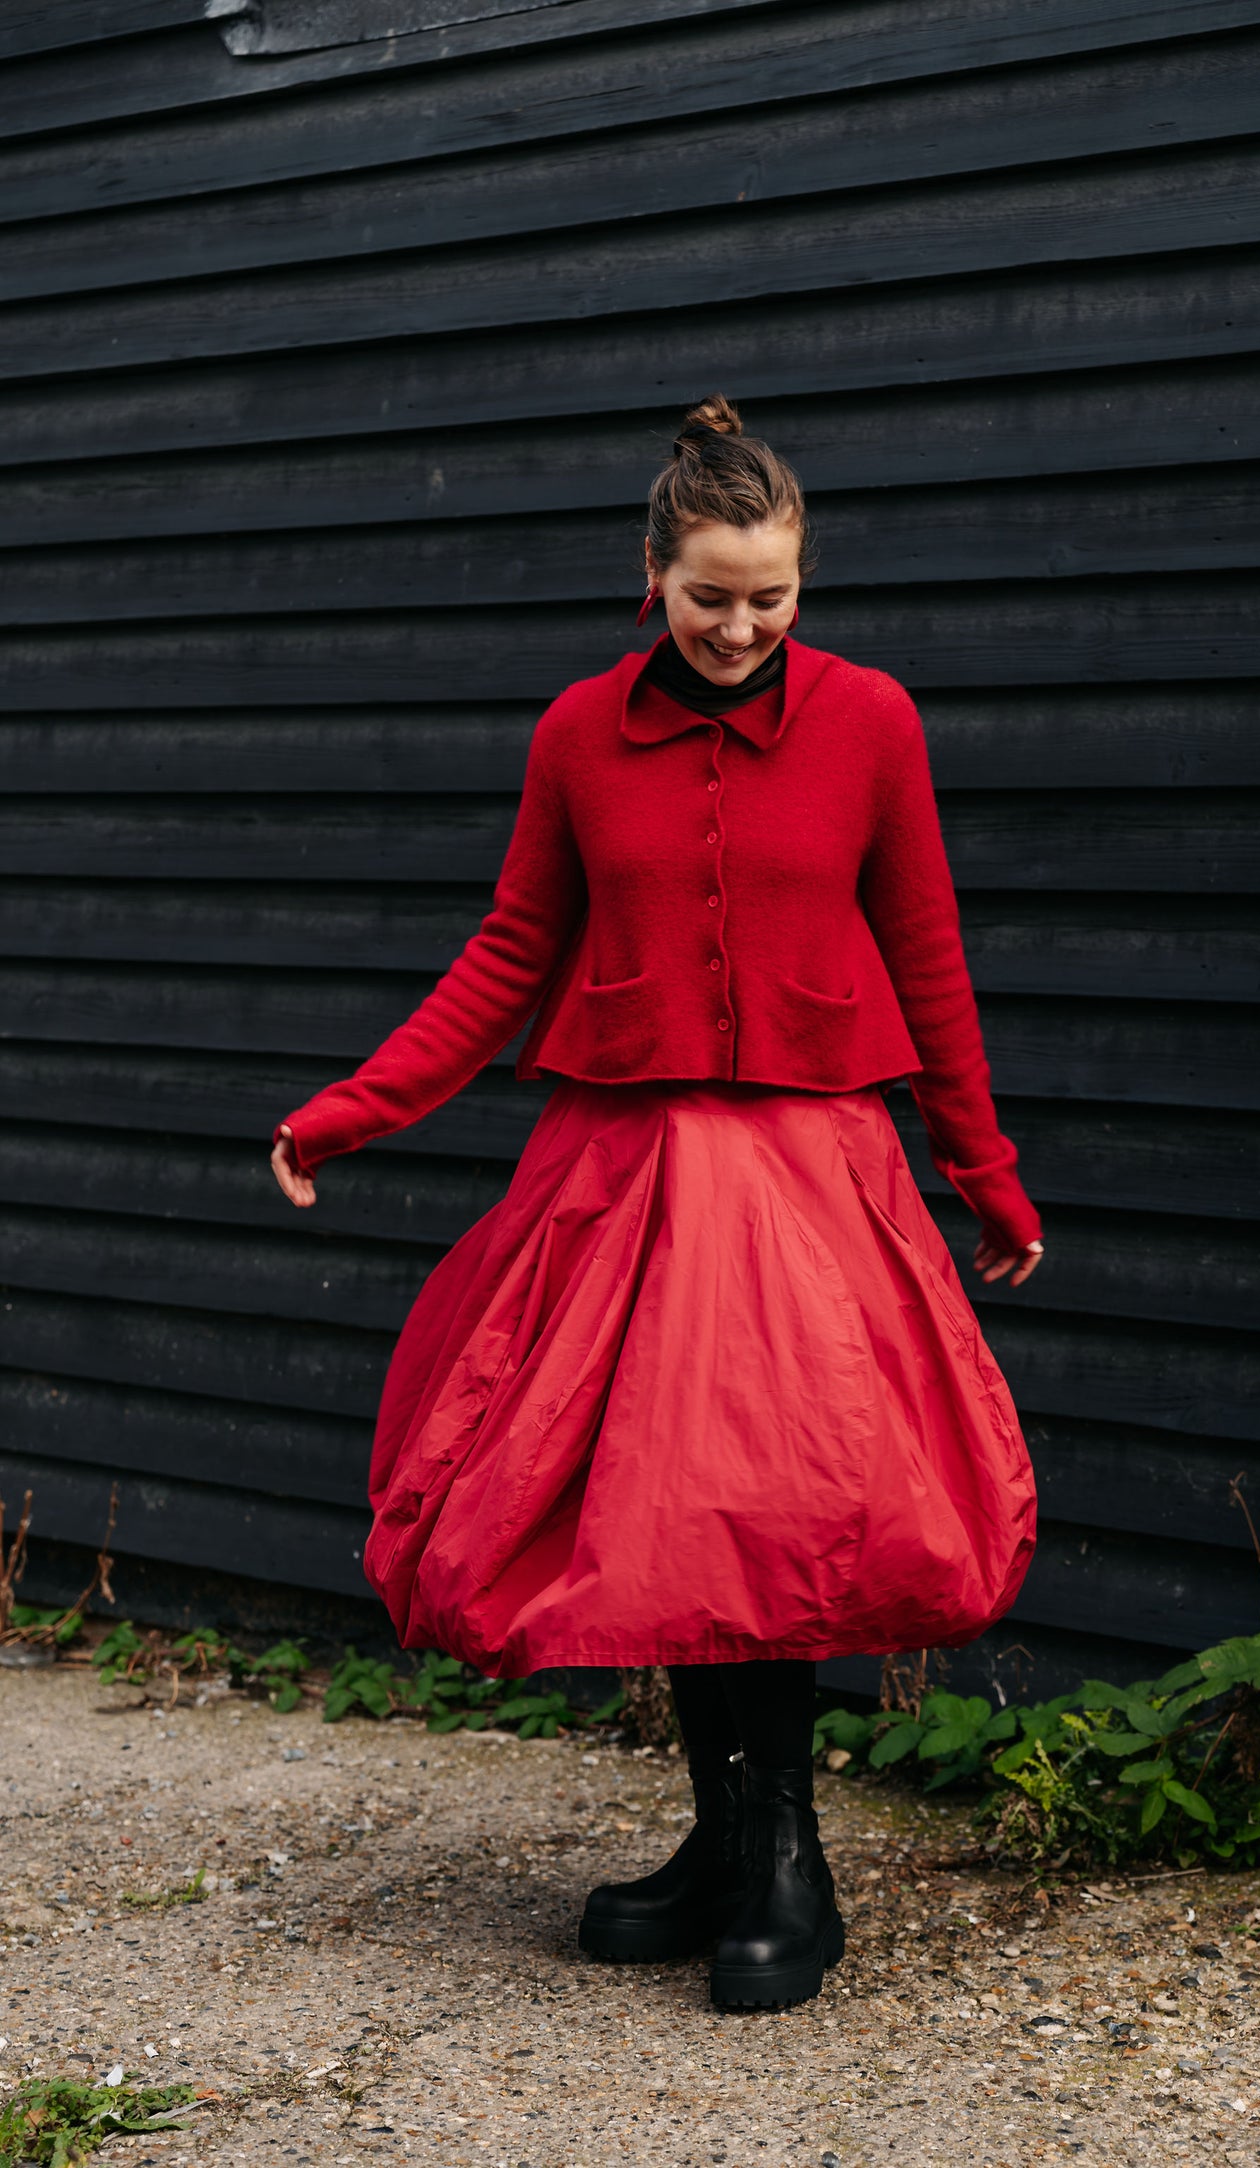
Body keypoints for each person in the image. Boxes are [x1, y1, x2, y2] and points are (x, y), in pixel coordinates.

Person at [270, 395, 1044, 2012]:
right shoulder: (573, 736)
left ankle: (784, 1860)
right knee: (669, 1517)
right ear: (650, 572)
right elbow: (506, 952)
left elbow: (927, 954)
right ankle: (724, 1845)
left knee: (771, 1503)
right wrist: (354, 1110)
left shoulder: (870, 722)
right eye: (710, 595)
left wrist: (983, 1168)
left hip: (810, 1169)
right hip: (625, 1167)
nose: (742, 627)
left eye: (772, 596)